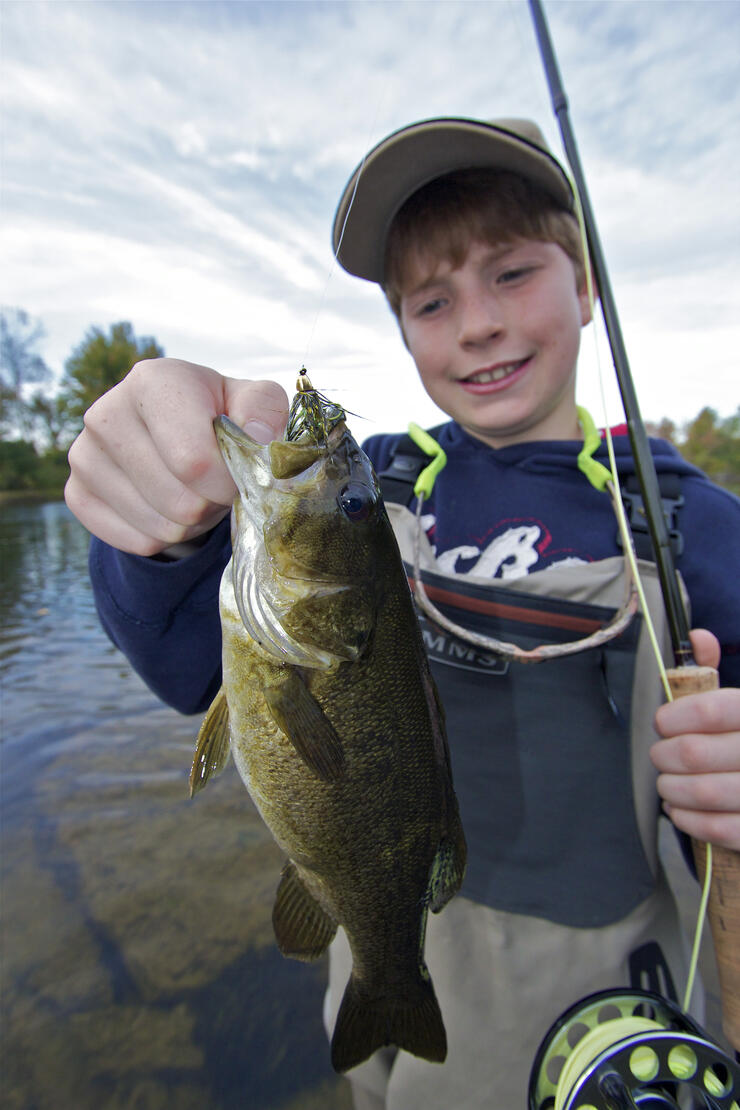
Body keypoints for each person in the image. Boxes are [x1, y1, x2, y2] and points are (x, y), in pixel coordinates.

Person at [65, 117, 740, 1108]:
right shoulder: (377, 482)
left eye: (511, 273)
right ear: (399, 329)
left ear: (586, 287)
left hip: (621, 990)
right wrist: (157, 527)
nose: (476, 322)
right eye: (430, 299)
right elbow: (179, 664)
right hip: (404, 938)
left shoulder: (696, 525)